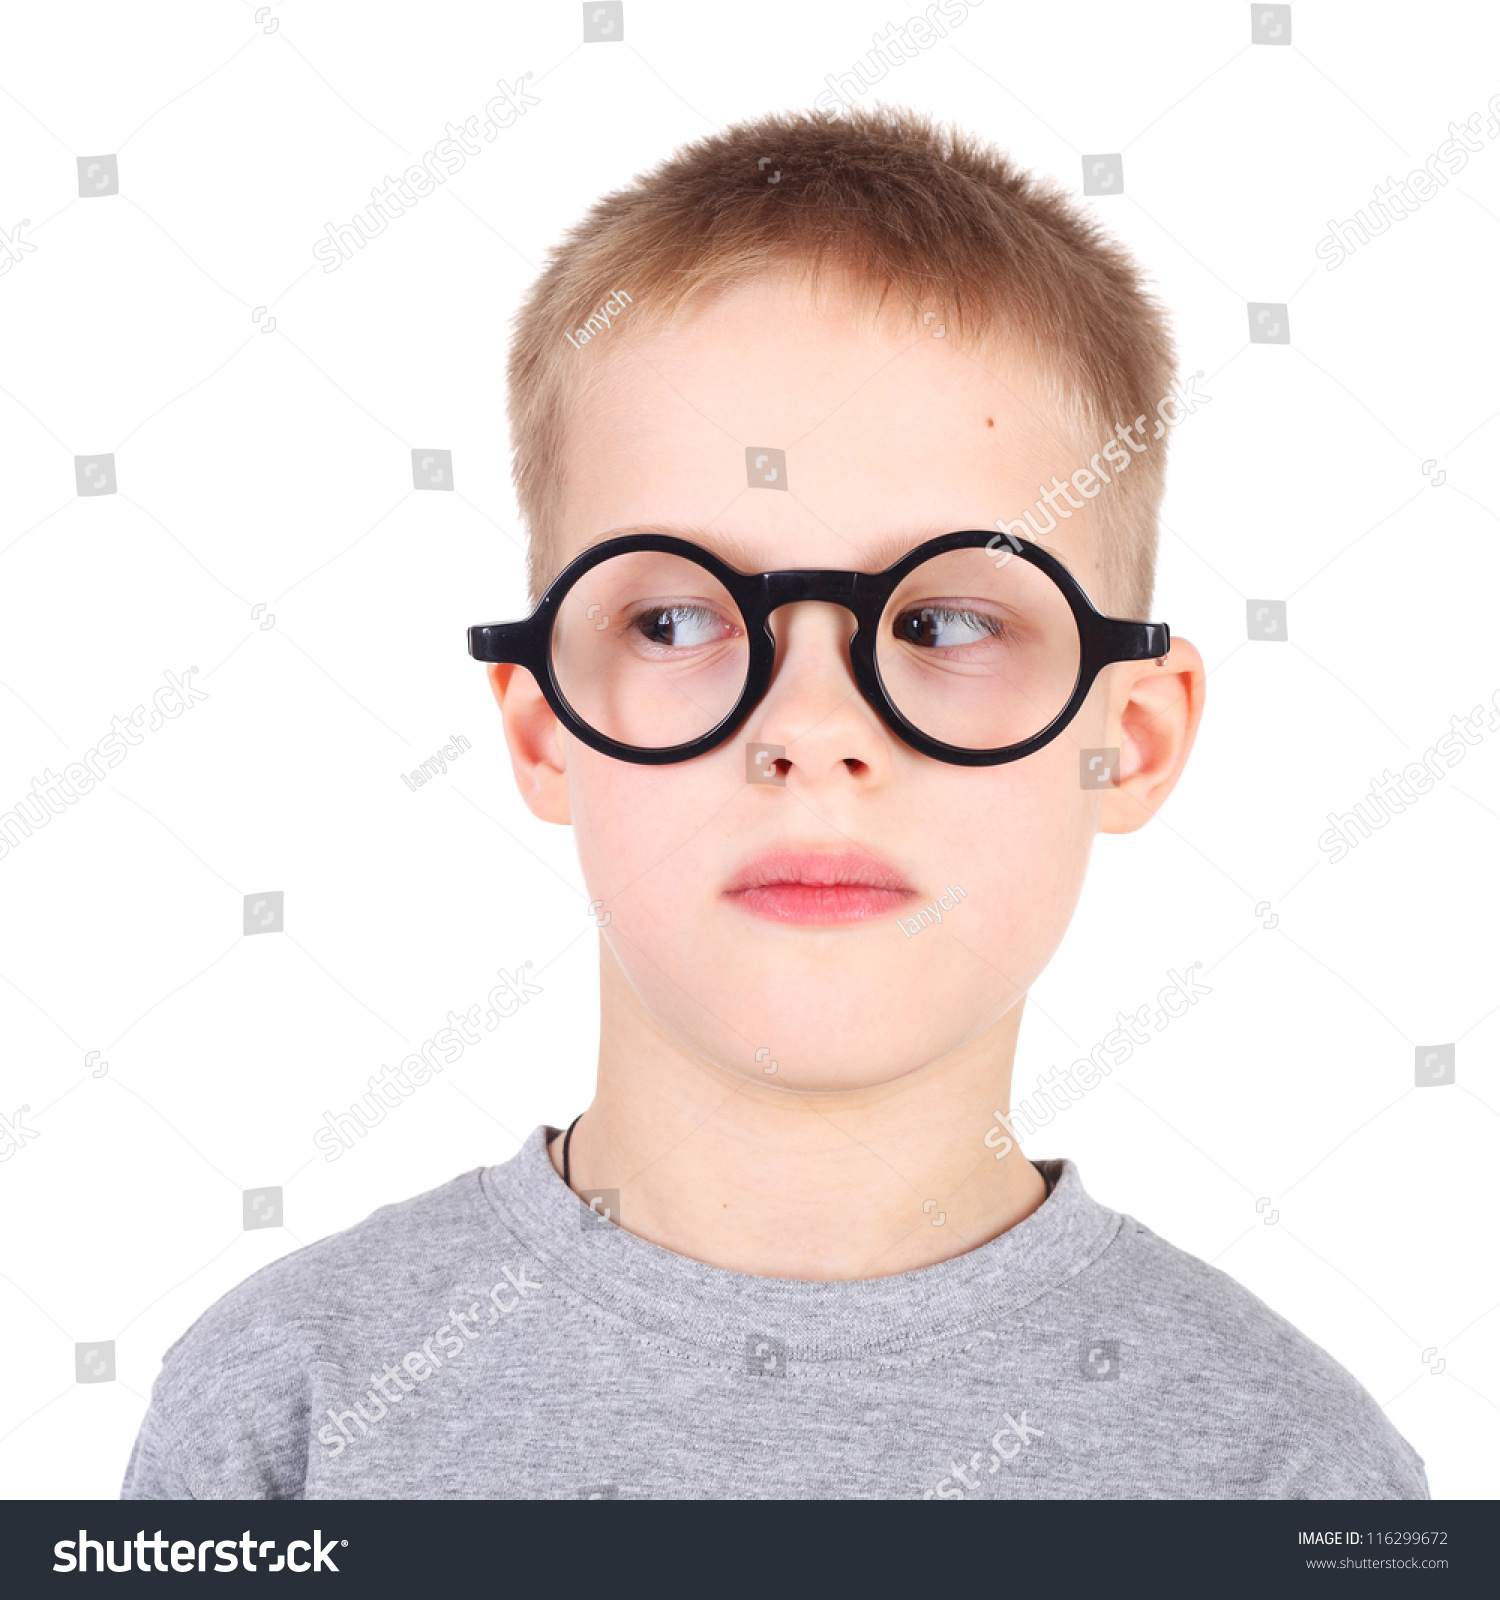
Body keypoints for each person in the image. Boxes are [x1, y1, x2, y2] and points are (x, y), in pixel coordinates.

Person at [122, 106, 1426, 1500]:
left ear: (1134, 738)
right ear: (547, 724)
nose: (812, 730)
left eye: (945, 624)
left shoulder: (1284, 1472)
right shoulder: (295, 1405)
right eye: (681, 620)